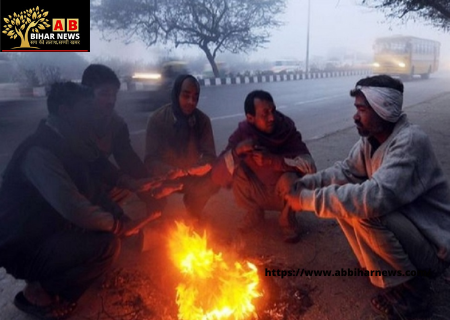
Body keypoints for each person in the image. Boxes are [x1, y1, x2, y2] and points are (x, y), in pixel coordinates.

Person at [285, 75, 450, 319]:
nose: (355, 116)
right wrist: (304, 184)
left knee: (364, 209)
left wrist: (308, 200)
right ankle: (379, 269)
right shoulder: (370, 141)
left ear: (383, 111)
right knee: (348, 194)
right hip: (410, 228)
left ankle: (415, 290)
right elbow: (345, 171)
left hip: (434, 248)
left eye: (362, 109)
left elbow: (372, 199)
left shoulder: (411, 142)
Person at [0, 82, 158, 320]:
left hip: (46, 228)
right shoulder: (39, 152)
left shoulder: (68, 141)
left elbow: (93, 185)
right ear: (65, 112)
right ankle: (41, 291)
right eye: (86, 108)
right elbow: (74, 207)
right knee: (107, 246)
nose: (92, 114)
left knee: (107, 222)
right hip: (23, 246)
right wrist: (116, 226)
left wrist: (122, 213)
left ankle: (64, 268)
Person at [211, 90, 316, 242]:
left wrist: (273, 160)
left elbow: (310, 167)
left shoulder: (286, 129)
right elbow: (217, 173)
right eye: (265, 114)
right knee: (235, 167)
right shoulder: (243, 133)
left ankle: (288, 220)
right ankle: (254, 213)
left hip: (283, 194)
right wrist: (237, 150)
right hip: (256, 190)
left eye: (272, 111)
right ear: (250, 118)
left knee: (292, 179)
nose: (272, 118)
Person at [81, 64, 179, 214]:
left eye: (113, 94)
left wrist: (151, 192)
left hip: (98, 182)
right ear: (87, 94)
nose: (111, 100)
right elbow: (91, 166)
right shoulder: (72, 123)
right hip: (71, 187)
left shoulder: (116, 124)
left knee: (133, 189)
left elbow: (128, 160)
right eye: (104, 94)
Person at [144, 74, 219, 221]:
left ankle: (193, 209)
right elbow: (149, 160)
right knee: (146, 183)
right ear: (176, 93)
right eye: (186, 96)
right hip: (164, 178)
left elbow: (210, 156)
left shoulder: (202, 121)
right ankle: (155, 215)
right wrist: (169, 171)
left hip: (191, 176)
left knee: (216, 177)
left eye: (195, 97)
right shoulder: (157, 119)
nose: (191, 102)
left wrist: (197, 168)